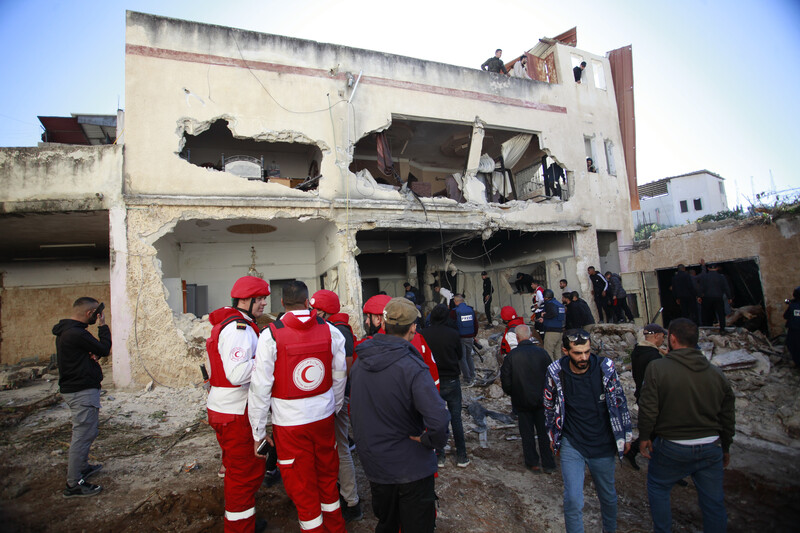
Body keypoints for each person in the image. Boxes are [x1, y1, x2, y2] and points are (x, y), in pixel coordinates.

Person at [249, 281, 348, 533]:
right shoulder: (332, 331)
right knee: (328, 480)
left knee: (302, 487)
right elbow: (339, 376)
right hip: (324, 419)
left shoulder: (269, 335)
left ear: (282, 303)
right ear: (307, 302)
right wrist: (332, 407)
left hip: (289, 424)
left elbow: (260, 388)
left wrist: (258, 433)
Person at [350, 297, 450, 532]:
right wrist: (430, 442)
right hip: (411, 469)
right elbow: (438, 419)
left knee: (387, 523)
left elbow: (355, 410)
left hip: (376, 466)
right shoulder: (412, 367)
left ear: (382, 324)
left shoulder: (360, 362)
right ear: (413, 328)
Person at [638, 318, 736, 533]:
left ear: (672, 339)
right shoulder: (716, 373)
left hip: (672, 445)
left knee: (658, 487)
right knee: (713, 502)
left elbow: (648, 408)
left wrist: (644, 436)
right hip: (711, 446)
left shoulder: (657, 368)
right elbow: (727, 415)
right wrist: (726, 446)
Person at [544, 329, 633, 533]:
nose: (583, 357)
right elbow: (549, 404)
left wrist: (626, 434)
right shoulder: (556, 371)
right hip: (572, 442)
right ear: (566, 351)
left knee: (608, 496)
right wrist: (552, 434)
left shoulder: (605, 368)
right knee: (573, 499)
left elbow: (619, 402)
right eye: (577, 353)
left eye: (586, 351)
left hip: (602, 442)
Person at [206, 276, 271, 532]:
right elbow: (237, 373)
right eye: (260, 298)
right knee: (244, 475)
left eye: (264, 298)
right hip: (235, 412)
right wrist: (267, 361)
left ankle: (244, 521)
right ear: (245, 299)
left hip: (225, 409)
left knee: (237, 470)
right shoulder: (238, 328)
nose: (264, 303)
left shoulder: (231, 323)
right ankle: (241, 528)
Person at [309, 289, 362, 523]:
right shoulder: (330, 328)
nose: (311, 313)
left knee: (340, 448)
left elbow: (346, 369)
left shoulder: (340, 332)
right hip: (327, 399)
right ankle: (339, 491)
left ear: (324, 311)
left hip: (337, 399)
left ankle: (352, 501)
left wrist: (336, 402)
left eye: (314, 309)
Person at [53, 297, 112, 498]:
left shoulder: (67, 332)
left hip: (76, 389)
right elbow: (104, 350)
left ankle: (82, 467)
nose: (98, 318)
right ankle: (74, 483)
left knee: (86, 431)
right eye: (97, 315)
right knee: (83, 434)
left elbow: (80, 355)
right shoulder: (76, 333)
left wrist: (88, 356)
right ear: (90, 313)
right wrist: (103, 326)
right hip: (81, 391)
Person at [501, 324, 555, 473]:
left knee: (527, 434)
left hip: (522, 401)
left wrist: (513, 393)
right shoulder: (542, 353)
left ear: (517, 338)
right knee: (544, 433)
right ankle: (549, 463)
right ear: (530, 336)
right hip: (541, 400)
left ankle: (533, 463)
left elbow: (506, 380)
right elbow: (552, 375)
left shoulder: (512, 356)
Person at [423, 304, 470, 467]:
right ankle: (462, 456)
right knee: (456, 418)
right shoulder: (453, 334)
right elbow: (459, 355)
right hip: (451, 379)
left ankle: (439, 455)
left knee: (436, 419)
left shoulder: (425, 334)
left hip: (433, 381)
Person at [623, 323, 668, 470]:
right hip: (652, 397)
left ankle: (635, 450)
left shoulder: (639, 350)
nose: (664, 340)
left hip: (641, 393)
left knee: (654, 430)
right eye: (662, 337)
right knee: (658, 430)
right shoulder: (653, 357)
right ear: (657, 336)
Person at [698, 264, 732, 333]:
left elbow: (701, 287)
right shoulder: (721, 277)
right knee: (721, 313)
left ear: (708, 268)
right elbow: (726, 287)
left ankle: (708, 329)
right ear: (717, 268)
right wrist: (729, 297)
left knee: (708, 313)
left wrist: (699, 296)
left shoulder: (704, 277)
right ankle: (722, 329)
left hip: (707, 298)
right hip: (718, 297)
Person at [453, 294, 478, 386]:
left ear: (456, 302)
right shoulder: (470, 310)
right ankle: (472, 375)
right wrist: (474, 335)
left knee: (462, 358)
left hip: (461, 337)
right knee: (469, 356)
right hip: (470, 337)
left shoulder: (455, 312)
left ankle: (467, 379)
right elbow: (476, 324)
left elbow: (453, 325)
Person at [537, 289, 566, 361]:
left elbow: (553, 313)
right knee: (557, 352)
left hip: (551, 332)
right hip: (559, 331)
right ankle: (559, 369)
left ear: (546, 297)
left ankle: (552, 370)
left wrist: (544, 315)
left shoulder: (550, 303)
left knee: (548, 352)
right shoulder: (558, 304)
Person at [785, 287, 800, 367]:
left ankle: (797, 363)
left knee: (792, 345)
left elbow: (785, 316)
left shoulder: (792, 306)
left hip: (794, 330)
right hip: (794, 329)